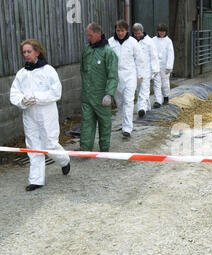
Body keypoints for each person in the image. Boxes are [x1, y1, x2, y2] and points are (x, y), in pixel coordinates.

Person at [10, 39, 71, 191]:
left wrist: (37, 98)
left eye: (29, 51)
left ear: (37, 51)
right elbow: (14, 93)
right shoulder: (21, 74)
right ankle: (36, 180)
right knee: (33, 146)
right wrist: (23, 101)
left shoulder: (48, 70)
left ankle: (64, 160)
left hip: (46, 113)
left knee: (49, 144)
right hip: (29, 114)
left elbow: (56, 92)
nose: (26, 54)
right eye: (24, 52)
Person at [80, 22, 119, 152]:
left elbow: (113, 75)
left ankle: (104, 149)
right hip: (87, 96)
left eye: (90, 35)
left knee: (104, 123)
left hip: (102, 96)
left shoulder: (108, 52)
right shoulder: (87, 50)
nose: (88, 38)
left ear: (98, 34)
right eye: (87, 35)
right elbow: (83, 71)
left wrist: (109, 94)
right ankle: (85, 149)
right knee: (86, 123)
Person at [109, 20, 146, 138]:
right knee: (120, 103)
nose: (120, 33)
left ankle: (127, 128)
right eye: (118, 30)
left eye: (122, 31)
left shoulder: (133, 42)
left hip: (130, 75)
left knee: (129, 101)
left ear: (126, 31)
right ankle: (125, 119)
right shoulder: (110, 42)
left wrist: (140, 75)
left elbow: (140, 59)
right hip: (116, 76)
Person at [132, 23, 160, 118]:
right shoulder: (132, 42)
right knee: (138, 90)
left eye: (139, 33)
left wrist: (155, 69)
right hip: (135, 70)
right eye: (135, 33)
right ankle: (147, 106)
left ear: (142, 31)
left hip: (146, 69)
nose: (137, 35)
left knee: (144, 89)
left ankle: (141, 109)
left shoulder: (149, 41)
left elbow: (154, 56)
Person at [152, 23, 174, 108]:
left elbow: (171, 54)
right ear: (157, 31)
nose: (161, 33)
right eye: (160, 31)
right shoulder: (153, 40)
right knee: (156, 83)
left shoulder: (168, 41)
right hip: (156, 65)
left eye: (163, 31)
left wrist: (169, 66)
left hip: (165, 66)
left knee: (164, 82)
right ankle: (157, 100)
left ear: (166, 32)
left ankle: (166, 97)